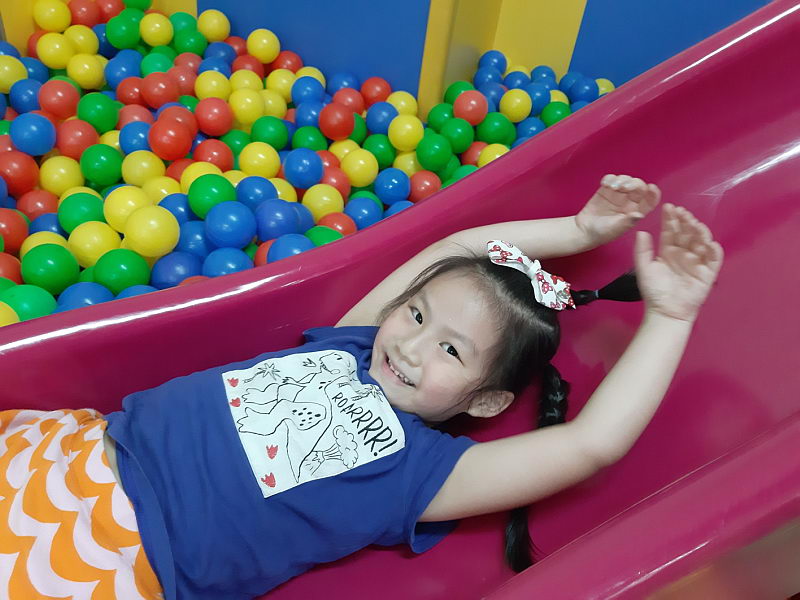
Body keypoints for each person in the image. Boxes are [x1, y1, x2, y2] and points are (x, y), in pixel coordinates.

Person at [0, 174, 723, 600]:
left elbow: (592, 444)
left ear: (485, 402)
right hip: (75, 449)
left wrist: (671, 315)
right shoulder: (352, 343)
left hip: (117, 554)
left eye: (450, 349)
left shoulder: (421, 470)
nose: (409, 343)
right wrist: (577, 231)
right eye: (416, 314)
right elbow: (452, 250)